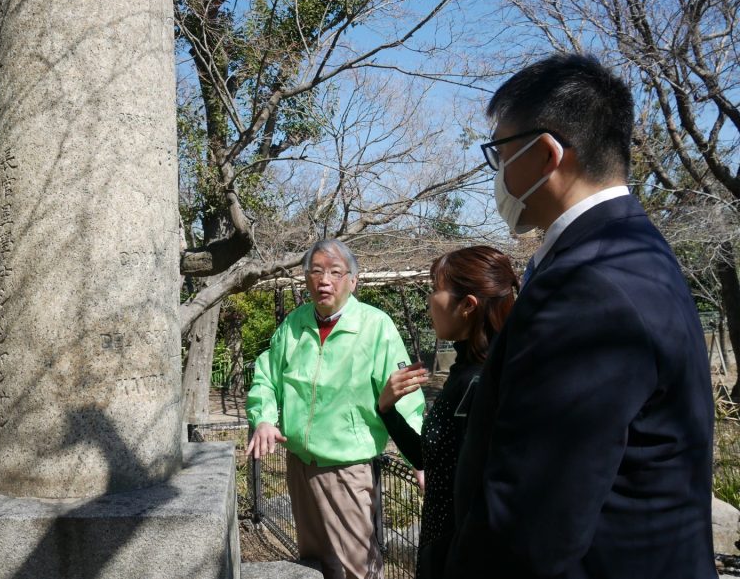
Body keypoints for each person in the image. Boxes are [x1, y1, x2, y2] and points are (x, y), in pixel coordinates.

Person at [445, 53, 715, 578]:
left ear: (546, 154)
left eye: (499, 153)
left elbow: (531, 530)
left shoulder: (587, 286)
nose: (496, 173)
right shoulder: (634, 252)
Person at [245, 238, 427, 579]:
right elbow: (266, 377)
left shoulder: (376, 327)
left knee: (356, 569)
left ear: (353, 280)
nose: (324, 280)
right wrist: (264, 419)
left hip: (348, 468)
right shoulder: (293, 325)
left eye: (334, 272)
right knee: (312, 563)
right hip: (299, 463)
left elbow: (405, 396)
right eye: (315, 271)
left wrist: (418, 458)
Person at [376, 246, 518, 579]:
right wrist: (386, 408)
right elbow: (431, 458)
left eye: (436, 289)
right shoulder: (466, 370)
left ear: (467, 305)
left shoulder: (482, 383)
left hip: (461, 557)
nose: (429, 299)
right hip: (442, 547)